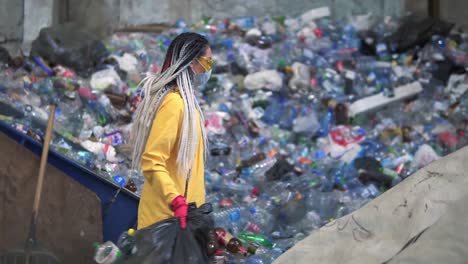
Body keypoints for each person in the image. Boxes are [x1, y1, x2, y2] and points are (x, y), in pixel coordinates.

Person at [131, 32, 214, 230]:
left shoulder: (188, 103)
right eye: (208, 63)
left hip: (186, 218)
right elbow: (152, 160)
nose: (210, 69)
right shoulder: (174, 104)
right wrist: (175, 200)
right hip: (165, 221)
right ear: (193, 63)